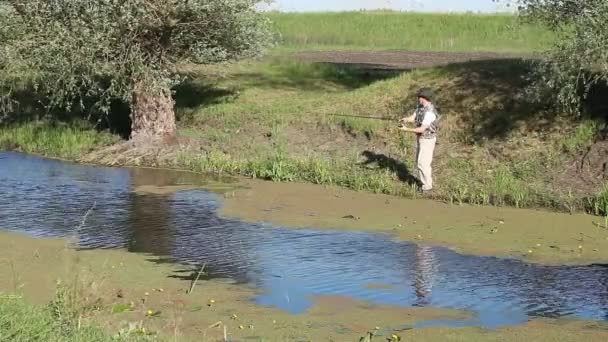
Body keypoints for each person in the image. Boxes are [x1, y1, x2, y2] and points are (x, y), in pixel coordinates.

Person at [398, 88, 439, 194]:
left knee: (423, 163)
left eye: (420, 97)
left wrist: (406, 129)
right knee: (419, 162)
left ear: (425, 98)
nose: (418, 98)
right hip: (420, 139)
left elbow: (421, 129)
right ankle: (424, 184)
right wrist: (405, 119)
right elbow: (414, 117)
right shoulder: (420, 107)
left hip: (427, 140)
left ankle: (427, 188)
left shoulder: (430, 113)